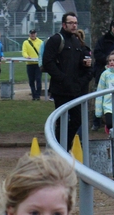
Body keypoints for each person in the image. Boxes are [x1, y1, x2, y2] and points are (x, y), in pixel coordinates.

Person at [43, 12, 93, 151]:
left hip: (75, 89)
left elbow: (79, 63)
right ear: (64, 24)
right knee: (61, 121)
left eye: (75, 23)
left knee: (78, 119)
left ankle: (64, 146)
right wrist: (62, 78)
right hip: (60, 89)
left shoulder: (76, 41)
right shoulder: (56, 40)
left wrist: (86, 64)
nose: (74, 26)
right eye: (71, 23)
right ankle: (60, 150)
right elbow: (48, 62)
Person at [22, 29, 42, 101]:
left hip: (38, 64)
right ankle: (34, 95)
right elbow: (24, 51)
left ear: (36, 34)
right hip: (30, 64)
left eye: (34, 33)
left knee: (38, 79)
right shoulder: (26, 42)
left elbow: (42, 51)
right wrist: (27, 56)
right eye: (31, 33)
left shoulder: (40, 42)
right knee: (31, 80)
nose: (32, 35)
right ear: (29, 34)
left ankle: (38, 95)